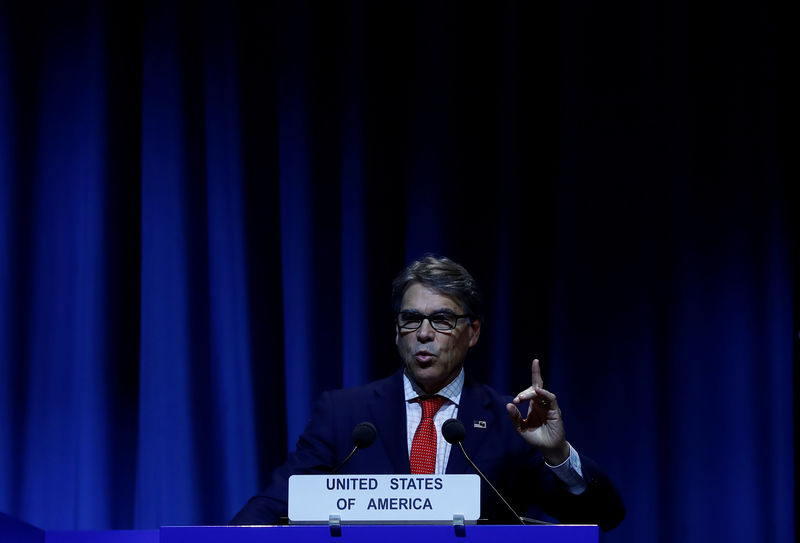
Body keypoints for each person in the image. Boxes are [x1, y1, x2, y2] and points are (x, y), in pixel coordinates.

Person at [230, 255, 625, 530]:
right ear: (396, 330)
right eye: (411, 319)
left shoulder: (511, 422)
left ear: (473, 332)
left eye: (441, 319)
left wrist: (558, 455)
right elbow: (278, 503)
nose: (423, 333)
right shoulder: (345, 414)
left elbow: (603, 516)